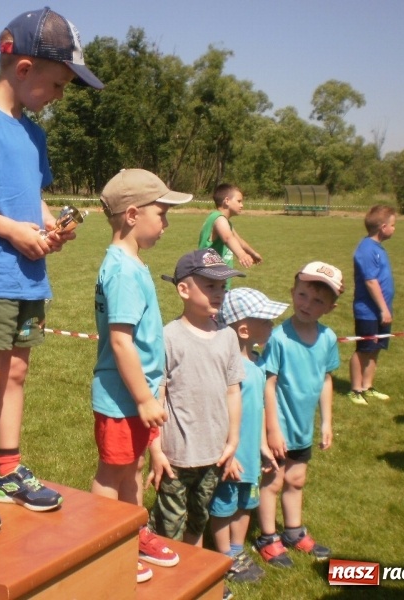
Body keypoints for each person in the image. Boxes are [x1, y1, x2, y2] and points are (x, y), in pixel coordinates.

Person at [0, 7, 103, 533]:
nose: (58, 96)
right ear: (24, 68)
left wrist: (51, 227)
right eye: (56, 85)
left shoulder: (33, 135)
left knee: (18, 374)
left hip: (29, 278)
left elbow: (32, 198)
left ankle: (7, 469)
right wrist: (11, 232)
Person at [91, 168, 192, 583]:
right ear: (133, 214)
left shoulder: (130, 263)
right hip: (122, 397)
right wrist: (146, 399)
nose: (166, 223)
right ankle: (106, 545)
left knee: (131, 469)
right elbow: (120, 343)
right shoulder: (124, 271)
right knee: (113, 473)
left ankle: (133, 532)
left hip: (135, 396)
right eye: (162, 213)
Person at [146, 249, 245, 544]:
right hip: (175, 456)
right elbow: (157, 398)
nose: (219, 293)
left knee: (198, 519)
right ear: (184, 290)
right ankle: (164, 576)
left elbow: (233, 391)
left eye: (222, 287)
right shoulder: (168, 337)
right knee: (169, 524)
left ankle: (193, 580)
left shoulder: (228, 337)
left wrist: (233, 441)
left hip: (214, 454)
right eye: (210, 286)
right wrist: (156, 451)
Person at [254, 261, 343, 568]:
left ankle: (293, 531)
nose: (308, 304)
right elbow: (269, 382)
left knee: (297, 478)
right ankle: (267, 536)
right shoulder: (279, 338)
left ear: (330, 307)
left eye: (318, 300)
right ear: (293, 293)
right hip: (279, 427)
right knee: (273, 481)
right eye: (303, 295)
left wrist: (327, 422)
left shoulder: (328, 338)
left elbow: (326, 380)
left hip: (303, 428)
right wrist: (272, 429)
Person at [210, 287, 289, 584]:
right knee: (223, 507)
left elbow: (256, 411)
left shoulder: (256, 362)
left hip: (251, 457)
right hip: (231, 457)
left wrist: (262, 446)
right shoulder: (230, 368)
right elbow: (219, 415)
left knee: (245, 505)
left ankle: (236, 549)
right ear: (244, 329)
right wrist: (226, 453)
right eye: (266, 321)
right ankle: (223, 557)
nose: (272, 326)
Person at [348, 205, 396, 405]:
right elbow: (370, 281)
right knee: (364, 349)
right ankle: (355, 389)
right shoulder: (366, 249)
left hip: (381, 311)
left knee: (375, 348)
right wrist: (383, 308)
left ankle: (368, 386)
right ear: (383, 227)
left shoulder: (378, 248)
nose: (394, 229)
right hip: (368, 311)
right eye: (393, 225)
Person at [198, 183, 262, 289]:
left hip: (218, 281)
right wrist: (241, 254)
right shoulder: (218, 218)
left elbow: (239, 241)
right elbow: (228, 238)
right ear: (227, 201)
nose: (242, 205)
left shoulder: (226, 222)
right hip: (211, 281)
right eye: (239, 201)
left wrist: (252, 253)